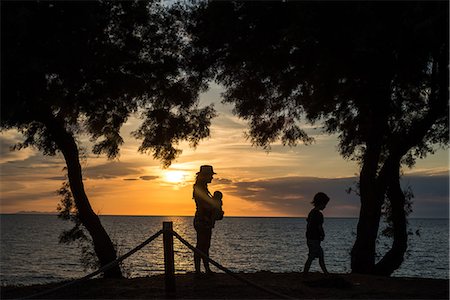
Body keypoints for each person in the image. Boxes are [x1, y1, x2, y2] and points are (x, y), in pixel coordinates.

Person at [193, 165, 218, 275]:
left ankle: (205, 269)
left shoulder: (202, 188)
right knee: (201, 245)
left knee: (205, 245)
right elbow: (203, 204)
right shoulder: (199, 188)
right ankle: (199, 271)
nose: (212, 178)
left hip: (204, 220)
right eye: (211, 175)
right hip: (202, 220)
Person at [303, 192, 330, 275]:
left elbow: (309, 224)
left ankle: (325, 272)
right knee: (312, 256)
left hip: (310, 238)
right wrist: (323, 234)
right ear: (321, 203)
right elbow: (319, 226)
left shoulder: (311, 213)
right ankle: (305, 273)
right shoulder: (319, 215)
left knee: (318, 255)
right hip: (314, 239)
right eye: (324, 204)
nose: (325, 206)